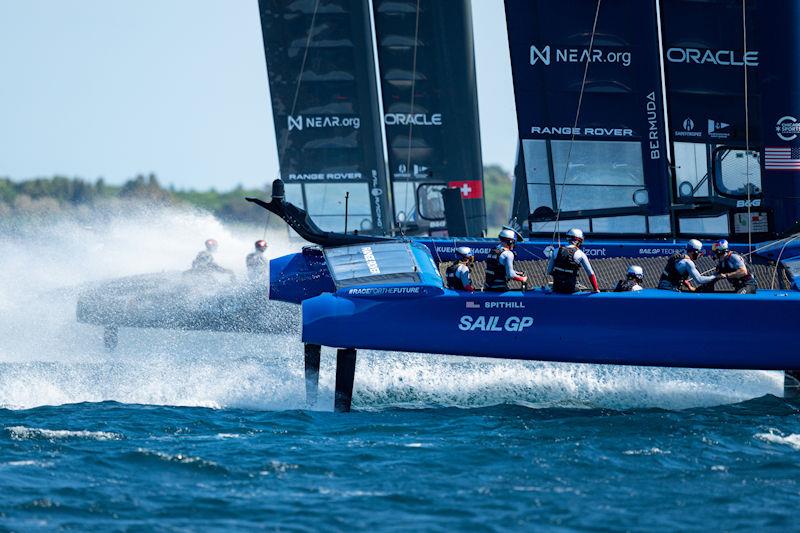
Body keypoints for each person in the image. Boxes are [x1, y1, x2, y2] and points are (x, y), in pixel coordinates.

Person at [546, 228, 600, 293]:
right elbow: (590, 273)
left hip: (557, 288)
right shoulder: (581, 254)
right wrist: (596, 289)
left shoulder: (556, 251)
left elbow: (549, 271)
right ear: (578, 240)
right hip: (570, 289)